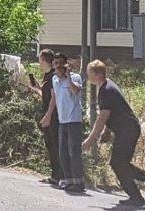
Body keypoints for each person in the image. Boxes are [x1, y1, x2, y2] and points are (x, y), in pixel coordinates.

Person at [83, 60, 145, 206]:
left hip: (128, 130)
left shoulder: (107, 90)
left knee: (118, 163)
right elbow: (112, 112)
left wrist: (90, 139)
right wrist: (108, 131)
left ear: (97, 74)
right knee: (120, 163)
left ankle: (138, 196)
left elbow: (102, 118)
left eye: (89, 72)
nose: (87, 75)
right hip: (126, 130)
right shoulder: (107, 86)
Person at [40, 53, 85, 193]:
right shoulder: (54, 79)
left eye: (61, 63)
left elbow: (75, 90)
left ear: (66, 64)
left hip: (74, 120)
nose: (58, 66)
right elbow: (54, 98)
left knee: (74, 151)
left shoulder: (75, 77)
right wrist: (48, 115)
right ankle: (68, 180)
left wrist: (68, 77)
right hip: (62, 120)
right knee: (63, 152)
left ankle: (79, 182)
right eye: (56, 63)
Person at [29, 49, 62, 186]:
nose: (39, 63)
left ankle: (58, 176)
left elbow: (55, 98)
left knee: (54, 145)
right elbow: (46, 96)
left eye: (40, 60)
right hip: (50, 116)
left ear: (43, 60)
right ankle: (56, 175)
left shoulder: (53, 77)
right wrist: (37, 88)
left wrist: (48, 116)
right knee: (51, 145)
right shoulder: (47, 76)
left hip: (54, 117)